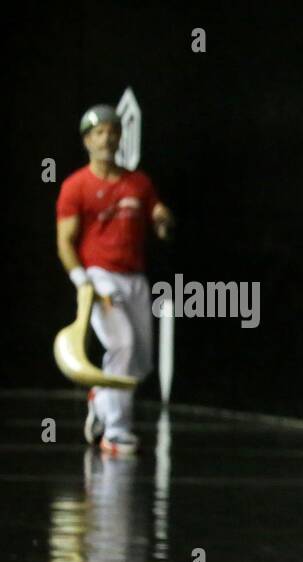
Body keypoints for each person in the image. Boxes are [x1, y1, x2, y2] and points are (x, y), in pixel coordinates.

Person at [55, 104, 174, 457]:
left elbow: (159, 224)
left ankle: (100, 399)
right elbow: (64, 241)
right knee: (121, 345)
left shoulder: (138, 183)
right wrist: (83, 282)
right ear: (87, 140)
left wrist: (163, 221)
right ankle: (116, 431)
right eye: (99, 132)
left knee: (141, 362)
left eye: (112, 131)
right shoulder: (76, 186)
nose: (107, 138)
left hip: (135, 280)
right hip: (99, 278)